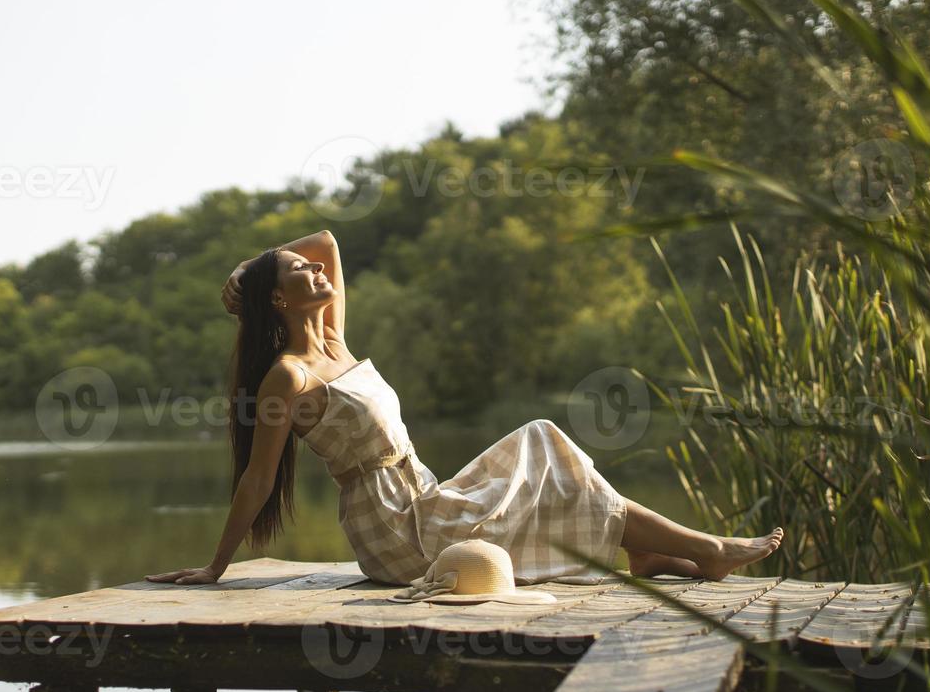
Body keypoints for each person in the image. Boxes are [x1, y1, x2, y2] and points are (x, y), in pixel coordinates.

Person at [145, 229, 782, 586]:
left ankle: (664, 550)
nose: (315, 269)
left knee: (550, 456)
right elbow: (258, 478)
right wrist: (216, 567)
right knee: (542, 440)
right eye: (296, 271)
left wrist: (252, 267)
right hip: (396, 528)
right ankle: (705, 548)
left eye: (310, 268)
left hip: (424, 494)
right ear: (278, 301)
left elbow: (328, 240)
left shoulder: (335, 343)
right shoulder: (288, 376)